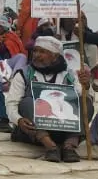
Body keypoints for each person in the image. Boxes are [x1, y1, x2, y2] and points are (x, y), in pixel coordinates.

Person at [6, 35, 92, 163]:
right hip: (34, 130)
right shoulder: (23, 74)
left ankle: (69, 147)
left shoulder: (69, 75)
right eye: (35, 51)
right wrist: (18, 120)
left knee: (86, 101)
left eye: (42, 52)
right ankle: (50, 147)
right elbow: (11, 104)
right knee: (27, 102)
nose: (36, 55)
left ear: (55, 56)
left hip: (64, 129)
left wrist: (86, 85)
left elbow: (81, 94)